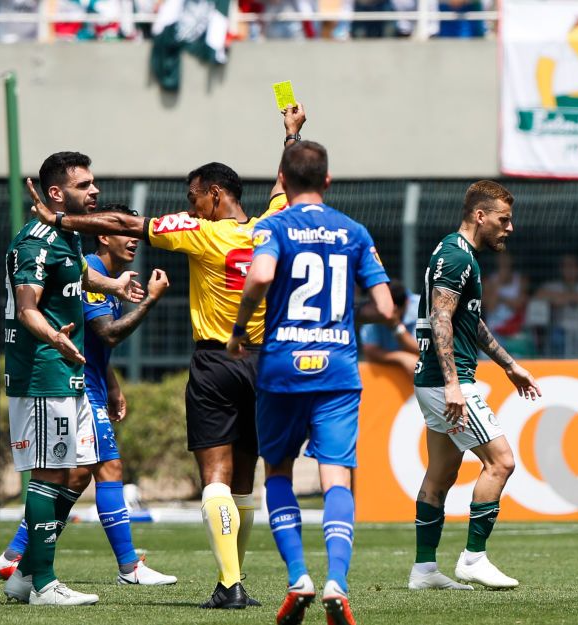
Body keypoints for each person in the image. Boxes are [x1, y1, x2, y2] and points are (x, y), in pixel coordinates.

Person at [25, 103, 307, 610]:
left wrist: (61, 217)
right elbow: (283, 184)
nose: (190, 203)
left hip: (217, 364)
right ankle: (231, 582)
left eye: (193, 195)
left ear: (214, 195)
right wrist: (290, 135)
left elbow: (125, 223)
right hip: (267, 366)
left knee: (215, 479)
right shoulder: (276, 224)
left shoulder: (205, 232)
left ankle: (230, 583)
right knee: (246, 482)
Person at [226, 139, 396, 625]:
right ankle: (337, 582)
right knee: (336, 477)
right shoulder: (354, 231)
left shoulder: (272, 226)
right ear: (327, 180)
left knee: (277, 472)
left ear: (282, 179)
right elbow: (385, 308)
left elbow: (259, 277)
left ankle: (298, 575)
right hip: (338, 369)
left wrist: (240, 330)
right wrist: (342, 309)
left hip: (281, 365)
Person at [0, 203, 175, 587]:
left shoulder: (103, 273)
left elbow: (94, 344)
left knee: (77, 477)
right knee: (104, 470)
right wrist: (151, 300)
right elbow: (107, 333)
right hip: (72, 384)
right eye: (126, 232)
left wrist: (112, 383)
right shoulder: (88, 265)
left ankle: (14, 556)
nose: (134, 240)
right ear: (104, 234)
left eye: (137, 234)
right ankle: (127, 566)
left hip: (90, 382)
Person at [4, 151, 143, 606]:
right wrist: (57, 340)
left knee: (80, 469)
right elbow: (27, 309)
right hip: (44, 370)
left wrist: (115, 286)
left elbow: (79, 276)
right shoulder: (36, 241)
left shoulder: (67, 238)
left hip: (71, 372)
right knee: (49, 473)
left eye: (93, 183)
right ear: (56, 193)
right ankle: (43, 584)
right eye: (84, 185)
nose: (94, 191)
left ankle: (24, 574)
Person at [409, 180, 542, 592]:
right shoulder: (455, 255)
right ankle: (473, 559)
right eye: (504, 219)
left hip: (437, 381)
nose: (510, 228)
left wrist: (509, 365)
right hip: (447, 383)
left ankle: (424, 571)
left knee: (440, 475)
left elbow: (470, 321)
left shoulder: (462, 254)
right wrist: (453, 384)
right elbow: (441, 317)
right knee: (501, 461)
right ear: (480, 216)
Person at [534, 254, 578, 357]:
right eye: (565, 266)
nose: (569, 270)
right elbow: (538, 295)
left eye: (572, 266)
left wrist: (565, 298)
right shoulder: (554, 285)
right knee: (556, 338)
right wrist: (567, 297)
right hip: (561, 336)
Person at [360, 279, 421, 376]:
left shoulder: (424, 308)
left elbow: (424, 352)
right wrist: (401, 357)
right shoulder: (376, 306)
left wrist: (395, 325)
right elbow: (370, 351)